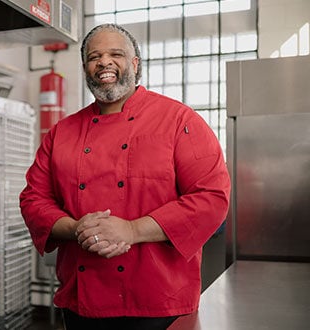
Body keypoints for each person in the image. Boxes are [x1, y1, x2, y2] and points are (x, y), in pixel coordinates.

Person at [20, 23, 231, 330]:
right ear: (85, 68)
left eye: (115, 54)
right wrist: (77, 228)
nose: (104, 62)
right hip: (82, 303)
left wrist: (131, 230)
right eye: (95, 56)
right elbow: (33, 198)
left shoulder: (179, 121)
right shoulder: (61, 133)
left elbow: (211, 197)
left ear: (135, 63)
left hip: (159, 302)